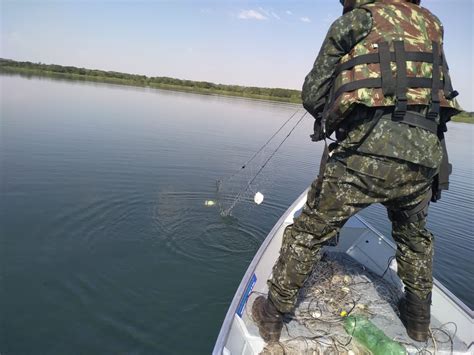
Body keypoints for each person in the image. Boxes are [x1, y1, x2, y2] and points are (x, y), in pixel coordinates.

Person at [252, 0, 461, 344]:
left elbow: (313, 94)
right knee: (414, 239)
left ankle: (272, 316)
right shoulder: (433, 25)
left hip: (364, 156)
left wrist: (337, 113)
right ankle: (418, 321)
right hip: (425, 160)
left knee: (308, 231)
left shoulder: (358, 20)